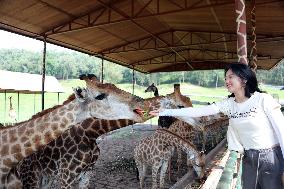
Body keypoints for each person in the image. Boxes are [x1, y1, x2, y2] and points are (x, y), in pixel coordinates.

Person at [149, 63, 284, 189]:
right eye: (225, 78)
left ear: (244, 79)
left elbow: (281, 130)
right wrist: (166, 111)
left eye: (231, 77)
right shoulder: (229, 104)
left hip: (270, 156)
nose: (226, 81)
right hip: (248, 156)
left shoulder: (263, 99)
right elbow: (198, 111)